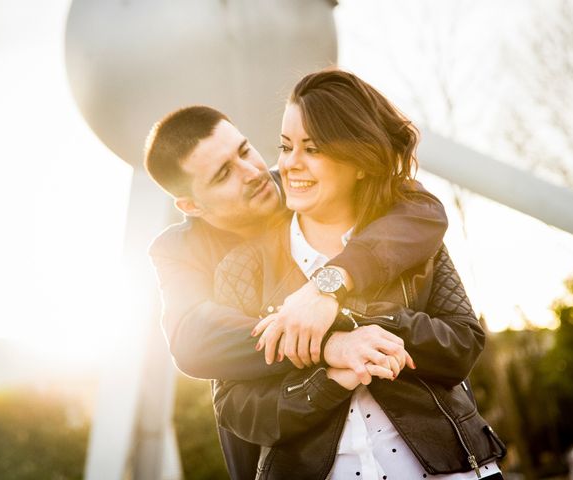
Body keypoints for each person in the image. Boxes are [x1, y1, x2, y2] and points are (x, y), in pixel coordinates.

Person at [212, 69, 506, 479]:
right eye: (285, 145)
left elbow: (462, 344)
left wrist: (359, 320)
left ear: (360, 163)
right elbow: (236, 407)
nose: (289, 164)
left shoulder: (411, 239)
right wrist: (332, 376)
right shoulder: (242, 269)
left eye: (312, 149)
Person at [144, 105, 453, 477]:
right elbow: (192, 339)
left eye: (244, 151)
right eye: (224, 174)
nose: (253, 173)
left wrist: (330, 284)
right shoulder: (177, 250)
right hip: (283, 455)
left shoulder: (306, 183)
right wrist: (327, 342)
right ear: (191, 205)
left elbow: (422, 210)